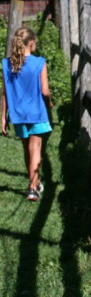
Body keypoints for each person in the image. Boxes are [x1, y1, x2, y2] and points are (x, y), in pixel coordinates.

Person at [1, 26, 52, 202]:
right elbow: (45, 91)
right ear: (31, 43)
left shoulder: (7, 64)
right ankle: (32, 188)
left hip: (17, 115)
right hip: (36, 112)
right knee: (35, 149)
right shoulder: (39, 63)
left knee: (27, 150)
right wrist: (49, 104)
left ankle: (35, 184)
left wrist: (2, 117)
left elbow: (5, 92)